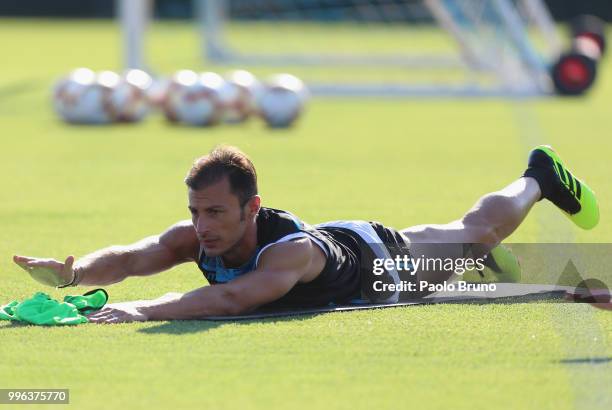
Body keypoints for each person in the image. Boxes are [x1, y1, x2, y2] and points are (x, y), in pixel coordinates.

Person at [13, 145, 599, 323]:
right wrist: (76, 274)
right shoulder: (196, 234)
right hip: (342, 241)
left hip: (380, 262)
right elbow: (135, 255)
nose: (202, 226)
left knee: (477, 235)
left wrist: (139, 312)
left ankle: (537, 179)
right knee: (473, 243)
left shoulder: (286, 251)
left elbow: (231, 298)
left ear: (252, 207)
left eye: (216, 213)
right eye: (196, 211)